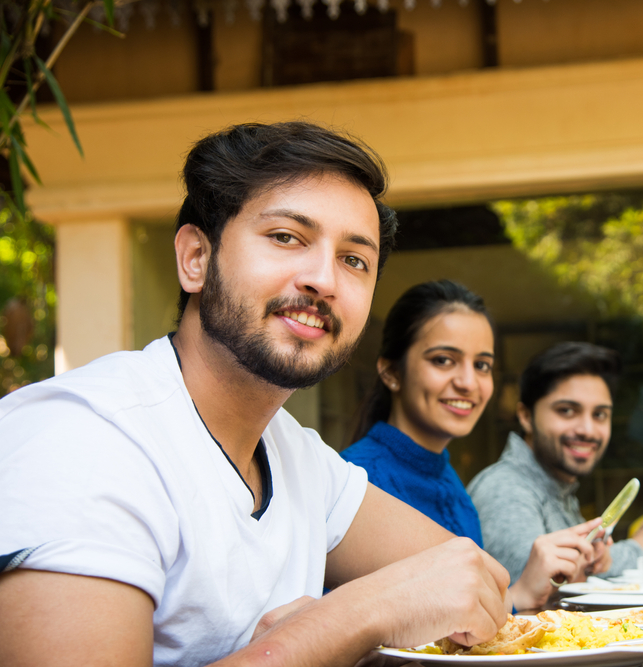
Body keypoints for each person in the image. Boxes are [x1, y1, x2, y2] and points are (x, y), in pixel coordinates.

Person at [0, 122, 510, 667]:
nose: (324, 280)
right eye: (287, 237)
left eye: (354, 259)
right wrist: (343, 622)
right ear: (196, 258)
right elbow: (392, 602)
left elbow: (471, 578)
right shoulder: (82, 440)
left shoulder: (298, 457)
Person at [341, 280, 608, 610]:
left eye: (482, 365)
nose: (468, 383)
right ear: (392, 372)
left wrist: (523, 593)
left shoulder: (453, 487)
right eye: (443, 360)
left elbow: (460, 624)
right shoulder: (357, 481)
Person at [468, 341, 643, 581]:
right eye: (567, 410)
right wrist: (640, 548)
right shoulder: (506, 488)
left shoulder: (559, 489)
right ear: (526, 417)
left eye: (600, 414)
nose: (588, 430)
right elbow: (530, 587)